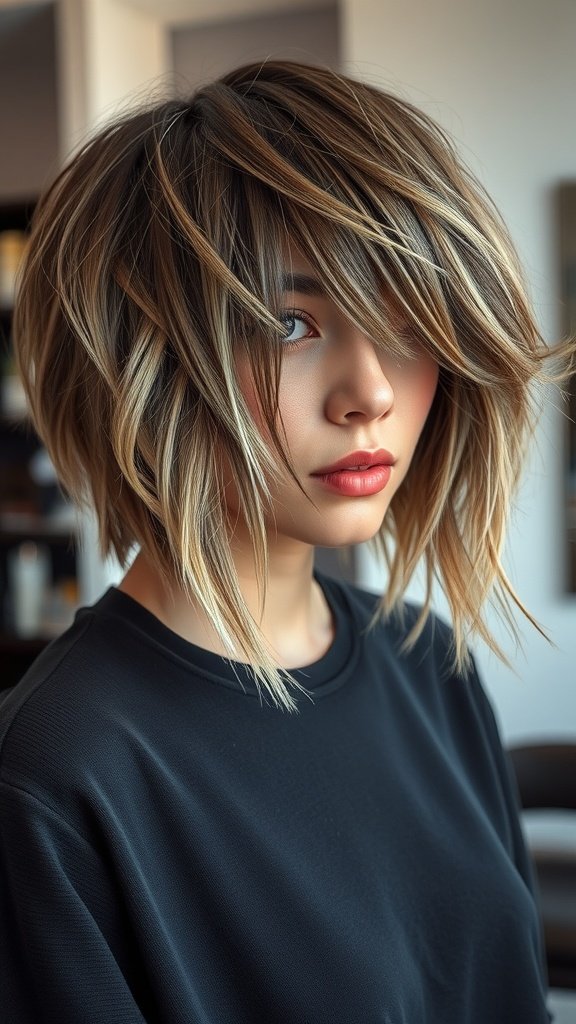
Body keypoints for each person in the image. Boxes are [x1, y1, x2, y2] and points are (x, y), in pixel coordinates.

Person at [0, 59, 571, 1024]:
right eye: (287, 321)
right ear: (142, 354)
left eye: (403, 321)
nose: (372, 393)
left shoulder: (428, 664)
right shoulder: (58, 774)